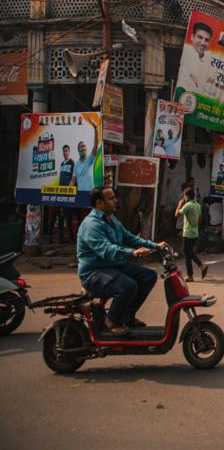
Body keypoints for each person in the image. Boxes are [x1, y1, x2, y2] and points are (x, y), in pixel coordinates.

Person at [76, 187, 166, 335]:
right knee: (128, 286)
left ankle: (127, 316)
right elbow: (106, 249)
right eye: (111, 198)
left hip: (112, 267)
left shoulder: (112, 220)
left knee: (148, 276)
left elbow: (129, 237)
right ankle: (112, 320)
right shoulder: (92, 224)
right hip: (94, 273)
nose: (116, 200)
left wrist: (155, 246)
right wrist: (133, 252)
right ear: (99, 203)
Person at [175, 188, 207, 282]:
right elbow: (200, 218)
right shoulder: (197, 205)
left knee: (187, 252)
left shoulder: (188, 205)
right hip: (194, 232)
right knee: (188, 253)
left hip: (188, 233)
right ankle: (192, 273)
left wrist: (179, 204)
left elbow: (176, 215)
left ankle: (200, 267)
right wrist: (194, 225)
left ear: (186, 196)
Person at [71, 119, 100, 191]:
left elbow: (95, 146)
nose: (83, 148)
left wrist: (95, 128)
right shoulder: (76, 164)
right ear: (78, 150)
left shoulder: (90, 159)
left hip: (91, 194)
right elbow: (73, 180)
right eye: (81, 146)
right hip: (80, 194)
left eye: (84, 146)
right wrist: (67, 193)